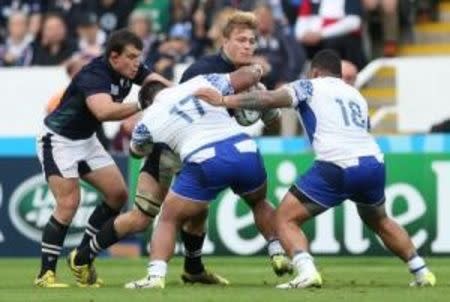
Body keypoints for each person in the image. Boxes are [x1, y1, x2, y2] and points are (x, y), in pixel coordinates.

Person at [194, 49, 437, 289]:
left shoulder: (310, 86)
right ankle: (421, 272)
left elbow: (268, 99)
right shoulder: (355, 96)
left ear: (315, 71)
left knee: (284, 219)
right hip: (372, 162)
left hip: (337, 164)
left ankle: (306, 271)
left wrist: (225, 100)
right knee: (380, 220)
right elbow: (365, 130)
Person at [69, 64, 284, 289]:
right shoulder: (202, 79)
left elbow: (135, 150)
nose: (247, 47)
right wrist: (257, 71)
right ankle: (83, 256)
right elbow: (246, 77)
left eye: (250, 42)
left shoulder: (151, 117)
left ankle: (193, 270)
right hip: (166, 156)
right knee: (143, 218)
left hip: (196, 153)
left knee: (197, 211)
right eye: (243, 41)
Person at [34, 28, 170, 288]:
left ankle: (80, 258)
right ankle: (45, 274)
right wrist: (143, 103)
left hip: (85, 140)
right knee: (69, 203)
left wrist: (183, 93)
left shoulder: (131, 68)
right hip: (58, 140)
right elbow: (104, 111)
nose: (137, 63)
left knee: (117, 194)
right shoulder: (94, 74)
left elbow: (158, 82)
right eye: (131, 57)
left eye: (138, 57)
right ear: (113, 56)